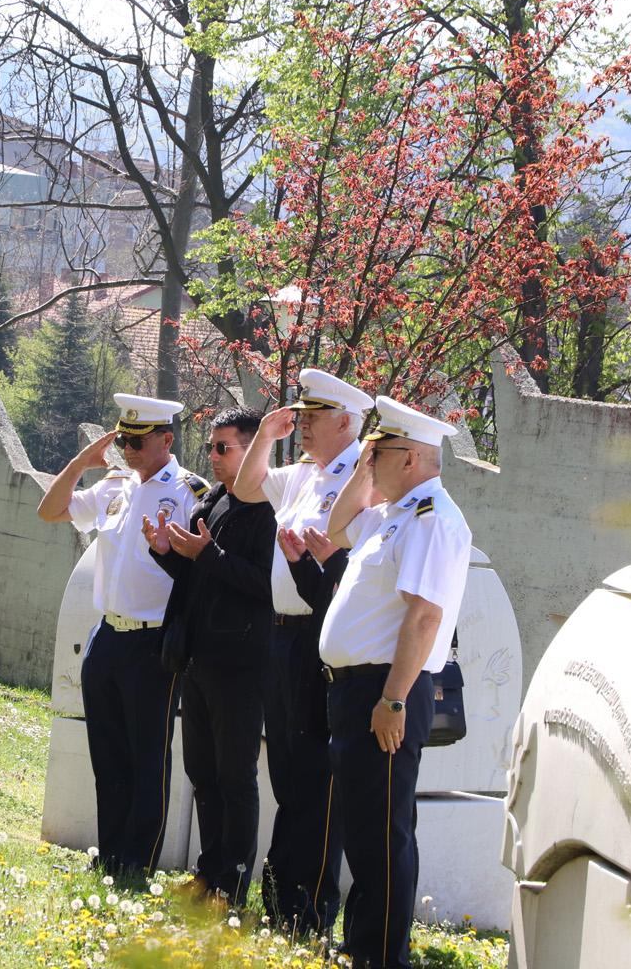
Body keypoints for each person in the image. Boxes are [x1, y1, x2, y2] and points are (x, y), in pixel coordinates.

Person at [320, 395, 472, 969]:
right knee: (364, 829)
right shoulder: (393, 514)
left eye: (376, 452)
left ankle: (382, 957)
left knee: (382, 834)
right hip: (354, 690)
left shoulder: (432, 519)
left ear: (408, 458)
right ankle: (364, 947)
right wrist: (363, 470)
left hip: (383, 692)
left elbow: (424, 618)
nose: (366, 461)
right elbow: (335, 529)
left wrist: (393, 699)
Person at [37, 393, 208, 876]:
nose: (127, 449)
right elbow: (50, 511)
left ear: (166, 440)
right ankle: (110, 853)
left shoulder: (192, 493)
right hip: (107, 636)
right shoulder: (115, 485)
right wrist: (79, 464)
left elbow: (200, 570)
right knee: (108, 754)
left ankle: (138, 861)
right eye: (124, 439)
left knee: (148, 757)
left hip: (154, 642)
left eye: (137, 440)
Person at [230, 368, 373, 935]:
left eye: (313, 419)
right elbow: (246, 487)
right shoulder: (306, 476)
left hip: (322, 637)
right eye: (302, 418)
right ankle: (282, 897)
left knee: (317, 779)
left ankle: (308, 908)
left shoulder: (362, 478)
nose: (304, 427)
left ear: (345, 422)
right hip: (281, 634)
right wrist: (266, 434)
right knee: (288, 773)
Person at [141, 407, 274, 907]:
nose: (213, 458)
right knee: (202, 770)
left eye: (225, 448)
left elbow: (266, 586)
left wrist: (208, 556)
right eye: (212, 448)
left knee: (236, 777)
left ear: (253, 449)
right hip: (197, 659)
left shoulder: (270, 511)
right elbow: (200, 574)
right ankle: (209, 870)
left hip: (239, 666)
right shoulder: (216, 499)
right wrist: (166, 552)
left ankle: (234, 885)